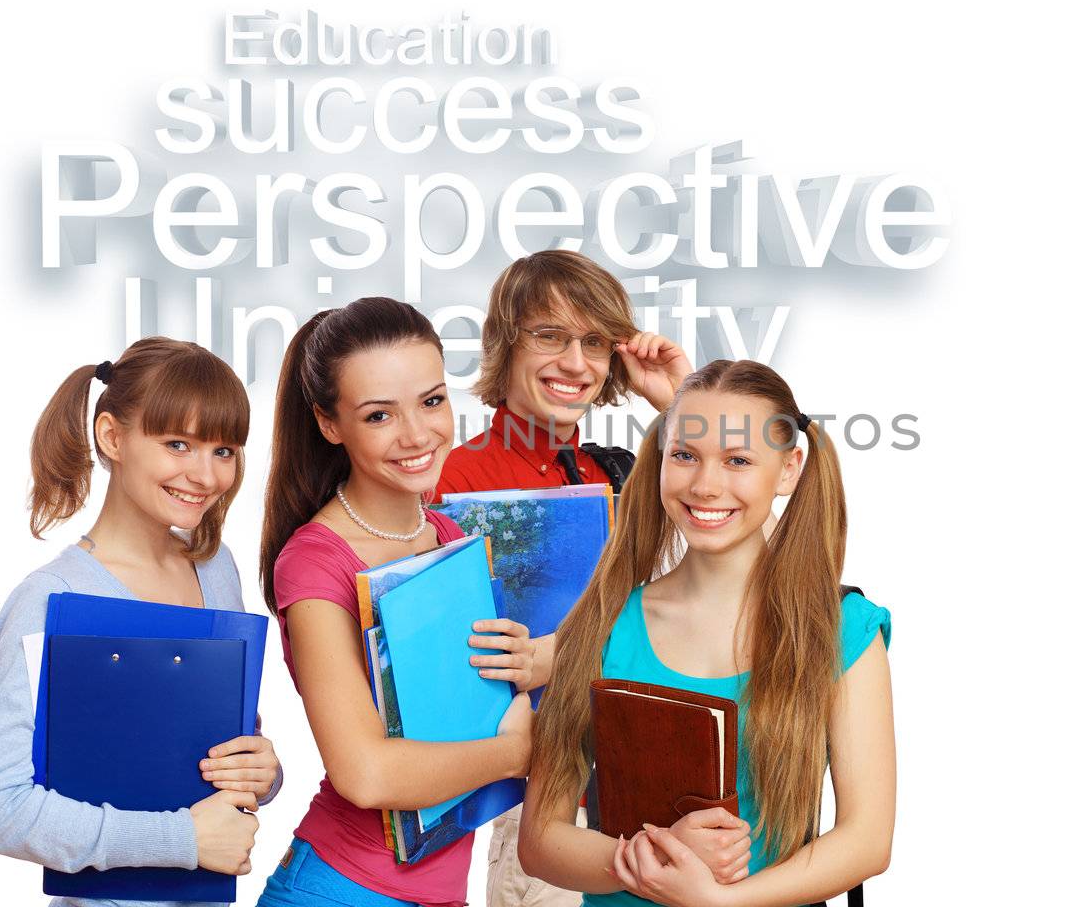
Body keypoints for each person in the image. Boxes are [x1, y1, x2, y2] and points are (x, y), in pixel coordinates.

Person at [519, 360, 896, 907]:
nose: (705, 485)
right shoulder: (601, 624)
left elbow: (866, 842)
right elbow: (541, 840)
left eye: (738, 460)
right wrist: (654, 855)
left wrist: (719, 901)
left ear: (788, 470)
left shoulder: (844, 631)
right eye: (685, 456)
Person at [0, 337, 281, 907]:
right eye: (178, 443)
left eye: (224, 450)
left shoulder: (217, 569)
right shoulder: (53, 597)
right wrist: (180, 839)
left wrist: (263, 769)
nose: (204, 476)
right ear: (112, 437)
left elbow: (215, 747)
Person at [434, 249, 693, 907]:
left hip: (646, 787)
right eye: (550, 336)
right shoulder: (452, 483)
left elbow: (724, 580)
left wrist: (679, 399)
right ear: (504, 344)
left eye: (595, 342)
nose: (576, 364)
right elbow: (432, 669)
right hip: (542, 804)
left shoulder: (616, 474)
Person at [257, 296, 535, 906]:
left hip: (438, 889)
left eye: (432, 401)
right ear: (330, 424)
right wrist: (517, 750)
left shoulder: (451, 537)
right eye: (379, 415)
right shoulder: (314, 564)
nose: (417, 435)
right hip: (341, 889)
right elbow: (365, 774)